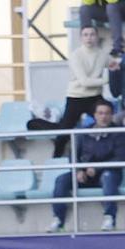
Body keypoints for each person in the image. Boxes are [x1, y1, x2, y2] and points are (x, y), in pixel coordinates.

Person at [27, 27, 119, 158]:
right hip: (76, 97)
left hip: (95, 97)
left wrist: (115, 68)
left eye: (92, 34)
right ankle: (56, 158)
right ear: (81, 38)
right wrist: (108, 79)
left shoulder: (103, 55)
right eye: (85, 35)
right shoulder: (76, 55)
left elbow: (115, 65)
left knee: (109, 124)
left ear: (97, 37)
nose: (89, 38)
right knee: (64, 132)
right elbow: (84, 82)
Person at [48, 100, 125, 232]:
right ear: (94, 115)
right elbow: (73, 154)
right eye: (100, 113)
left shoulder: (119, 134)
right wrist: (78, 170)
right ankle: (58, 220)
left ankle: (109, 218)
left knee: (108, 177)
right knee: (61, 180)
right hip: (84, 174)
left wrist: (96, 168)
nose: (104, 117)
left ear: (112, 115)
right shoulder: (83, 133)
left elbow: (120, 157)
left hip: (108, 173)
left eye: (107, 113)